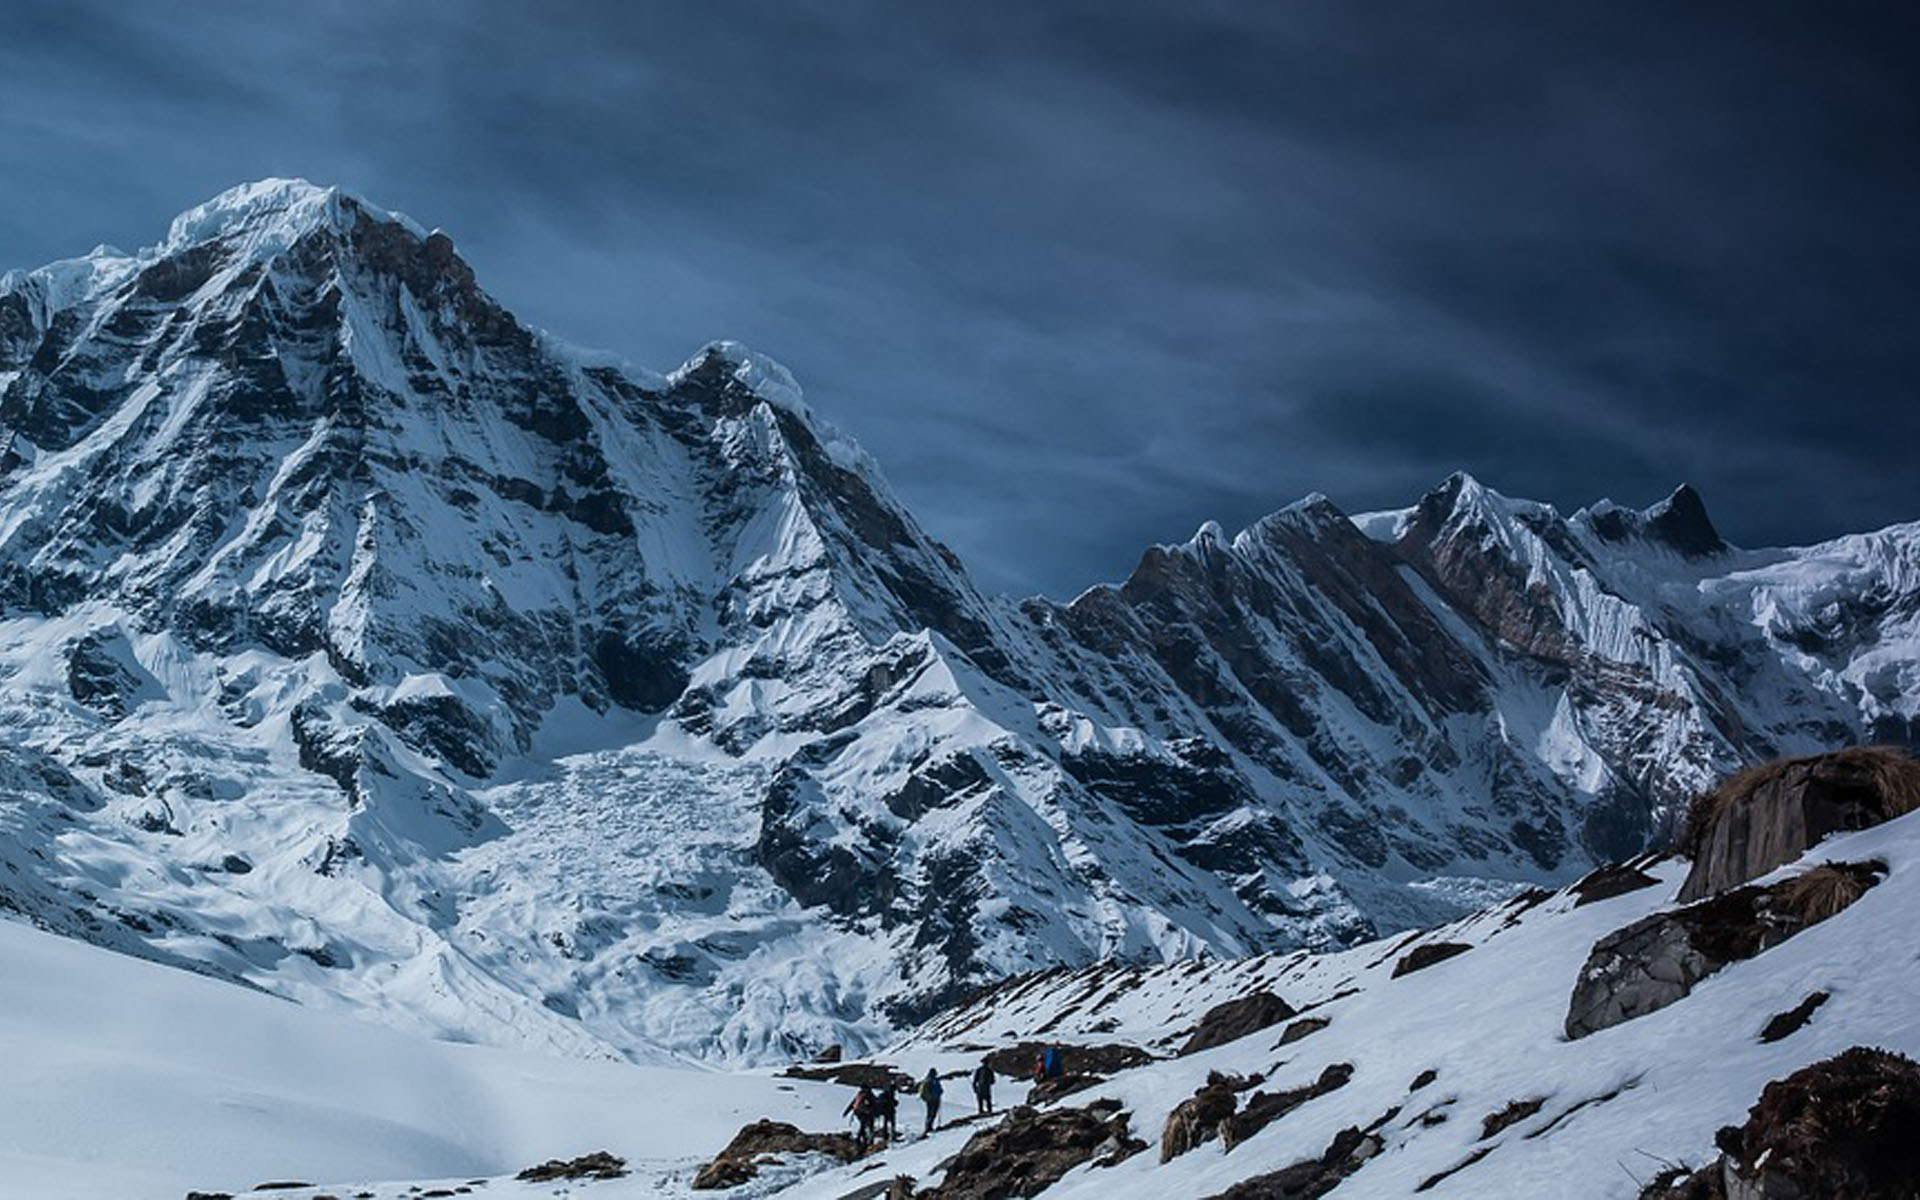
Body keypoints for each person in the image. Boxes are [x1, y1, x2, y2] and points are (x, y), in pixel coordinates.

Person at [844, 1084, 877, 1152]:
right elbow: (875, 1104)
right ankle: (866, 1141)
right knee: (868, 1126)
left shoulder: (860, 1094)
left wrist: (846, 1112)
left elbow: (853, 1103)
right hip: (867, 1113)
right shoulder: (869, 1095)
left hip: (858, 1112)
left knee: (863, 1125)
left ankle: (861, 1140)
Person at [919, 1067, 943, 1135]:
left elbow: (939, 1088)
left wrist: (940, 1091)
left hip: (934, 1099)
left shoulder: (933, 1080)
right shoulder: (929, 1081)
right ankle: (928, 1128)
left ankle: (929, 1127)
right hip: (932, 1099)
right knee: (931, 1113)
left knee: (932, 1113)